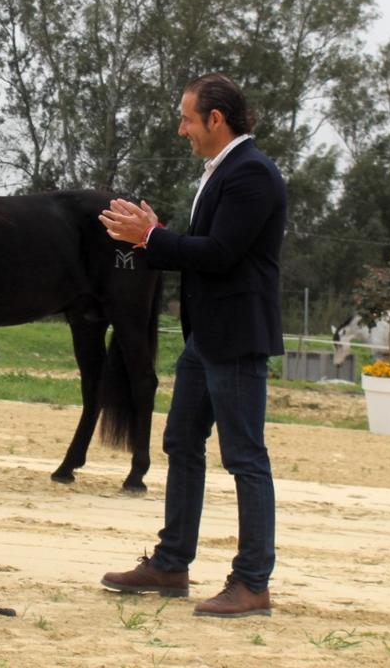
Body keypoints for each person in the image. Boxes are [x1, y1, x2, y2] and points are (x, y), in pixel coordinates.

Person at [98, 73, 286, 618]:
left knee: (245, 457)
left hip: (236, 337)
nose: (181, 129)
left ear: (216, 120)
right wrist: (157, 233)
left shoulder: (251, 174)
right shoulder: (224, 170)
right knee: (181, 442)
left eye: (186, 119)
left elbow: (222, 253)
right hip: (207, 337)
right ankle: (171, 563)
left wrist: (151, 238)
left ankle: (252, 581)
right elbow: (206, 246)